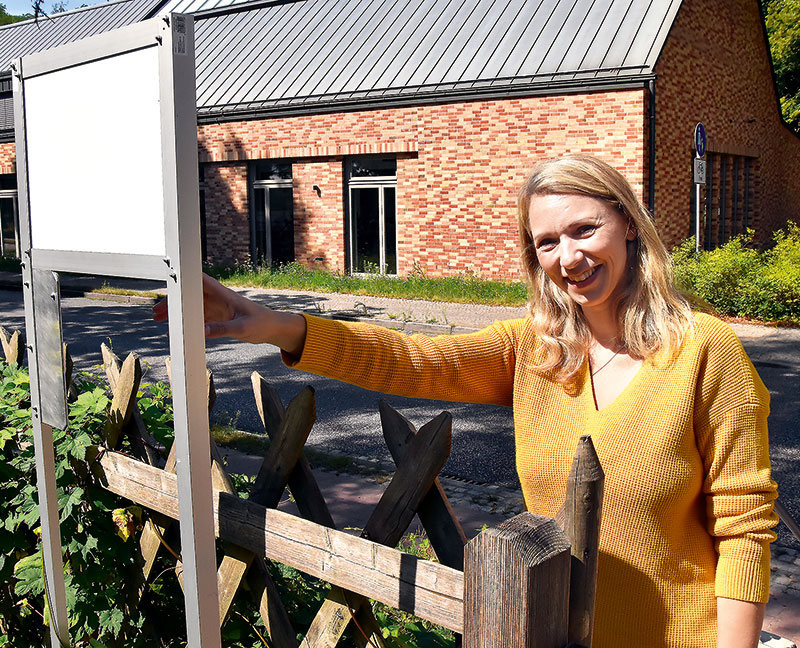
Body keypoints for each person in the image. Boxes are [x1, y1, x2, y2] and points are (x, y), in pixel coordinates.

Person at [154, 154, 777, 647]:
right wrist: (269, 322)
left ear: (629, 227)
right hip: (553, 633)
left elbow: (744, 531)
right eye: (547, 242)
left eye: (585, 229)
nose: (570, 257)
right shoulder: (537, 350)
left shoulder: (705, 354)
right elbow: (412, 359)